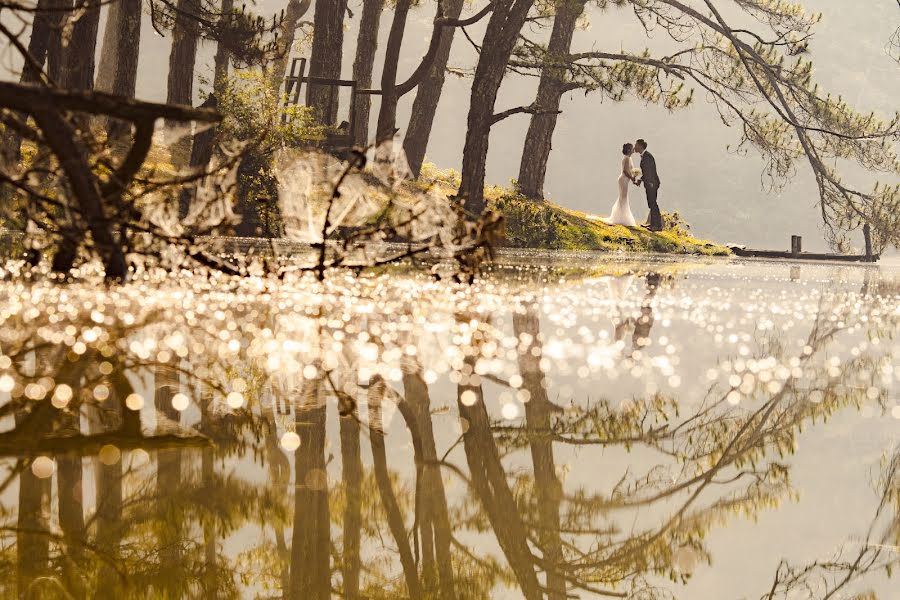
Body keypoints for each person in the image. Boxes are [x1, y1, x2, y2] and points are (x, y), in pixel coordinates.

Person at [603, 142, 639, 227]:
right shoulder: (626, 158)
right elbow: (625, 171)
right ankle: (621, 217)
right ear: (629, 150)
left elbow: (630, 171)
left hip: (625, 180)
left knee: (623, 197)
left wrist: (633, 177)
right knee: (623, 197)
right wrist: (632, 178)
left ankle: (621, 216)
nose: (633, 149)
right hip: (623, 180)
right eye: (632, 148)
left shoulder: (629, 158)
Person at [633, 139, 663, 231]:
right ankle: (652, 224)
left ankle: (657, 226)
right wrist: (641, 180)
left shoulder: (647, 156)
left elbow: (650, 172)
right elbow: (646, 172)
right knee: (651, 203)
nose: (634, 147)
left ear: (641, 146)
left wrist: (650, 183)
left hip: (652, 183)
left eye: (636, 145)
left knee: (653, 203)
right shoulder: (645, 156)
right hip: (650, 183)